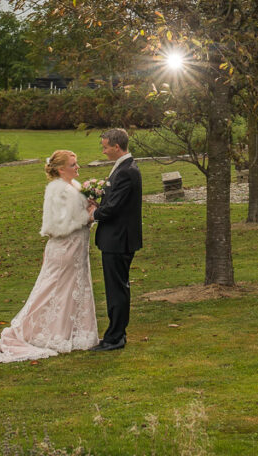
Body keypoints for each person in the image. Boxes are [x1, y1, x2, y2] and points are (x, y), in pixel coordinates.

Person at [0, 150, 98, 364]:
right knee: (53, 290)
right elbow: (56, 225)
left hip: (76, 248)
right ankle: (41, 332)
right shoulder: (58, 190)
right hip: (64, 249)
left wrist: (90, 212)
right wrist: (88, 216)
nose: (78, 167)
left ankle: (72, 332)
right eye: (73, 164)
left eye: (77, 163)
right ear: (61, 169)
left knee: (72, 290)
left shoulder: (74, 187)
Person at [88, 128, 143, 352]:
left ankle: (115, 338)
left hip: (119, 240)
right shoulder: (124, 168)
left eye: (105, 147)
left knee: (116, 290)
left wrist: (94, 214)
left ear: (117, 147)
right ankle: (115, 334)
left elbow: (113, 208)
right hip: (118, 239)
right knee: (117, 288)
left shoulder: (126, 171)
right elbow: (114, 201)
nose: (104, 151)